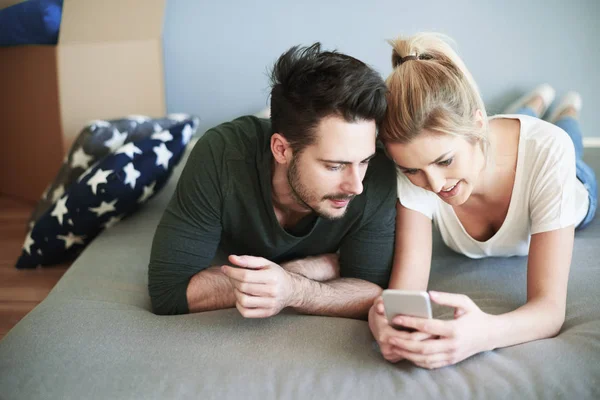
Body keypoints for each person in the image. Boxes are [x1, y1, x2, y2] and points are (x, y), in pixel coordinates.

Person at [369, 32, 597, 369]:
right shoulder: (417, 166)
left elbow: (549, 310)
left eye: (444, 161)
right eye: (412, 170)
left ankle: (566, 108)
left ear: (476, 124)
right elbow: (405, 290)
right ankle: (531, 104)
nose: (434, 185)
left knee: (570, 140)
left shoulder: (549, 150)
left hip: (575, 182)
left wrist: (482, 335)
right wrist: (385, 324)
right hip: (488, 136)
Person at [148, 43, 398, 318]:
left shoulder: (380, 172)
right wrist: (304, 272)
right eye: (334, 166)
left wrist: (294, 289)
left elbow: (373, 291)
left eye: (364, 161)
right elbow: (169, 293)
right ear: (281, 149)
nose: (356, 186)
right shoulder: (219, 155)